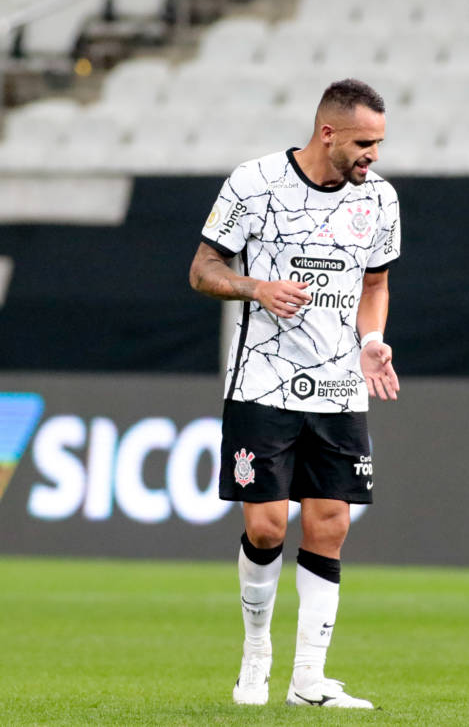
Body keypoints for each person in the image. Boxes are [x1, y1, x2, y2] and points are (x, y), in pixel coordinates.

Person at [188, 78, 400, 709]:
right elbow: (203, 270)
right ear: (327, 133)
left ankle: (309, 678)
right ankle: (256, 654)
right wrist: (256, 288)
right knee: (265, 527)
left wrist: (372, 340)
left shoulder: (380, 198)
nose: (373, 156)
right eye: (363, 143)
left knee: (330, 524)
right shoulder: (255, 182)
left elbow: (376, 284)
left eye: (379, 144)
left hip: (339, 385)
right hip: (262, 380)